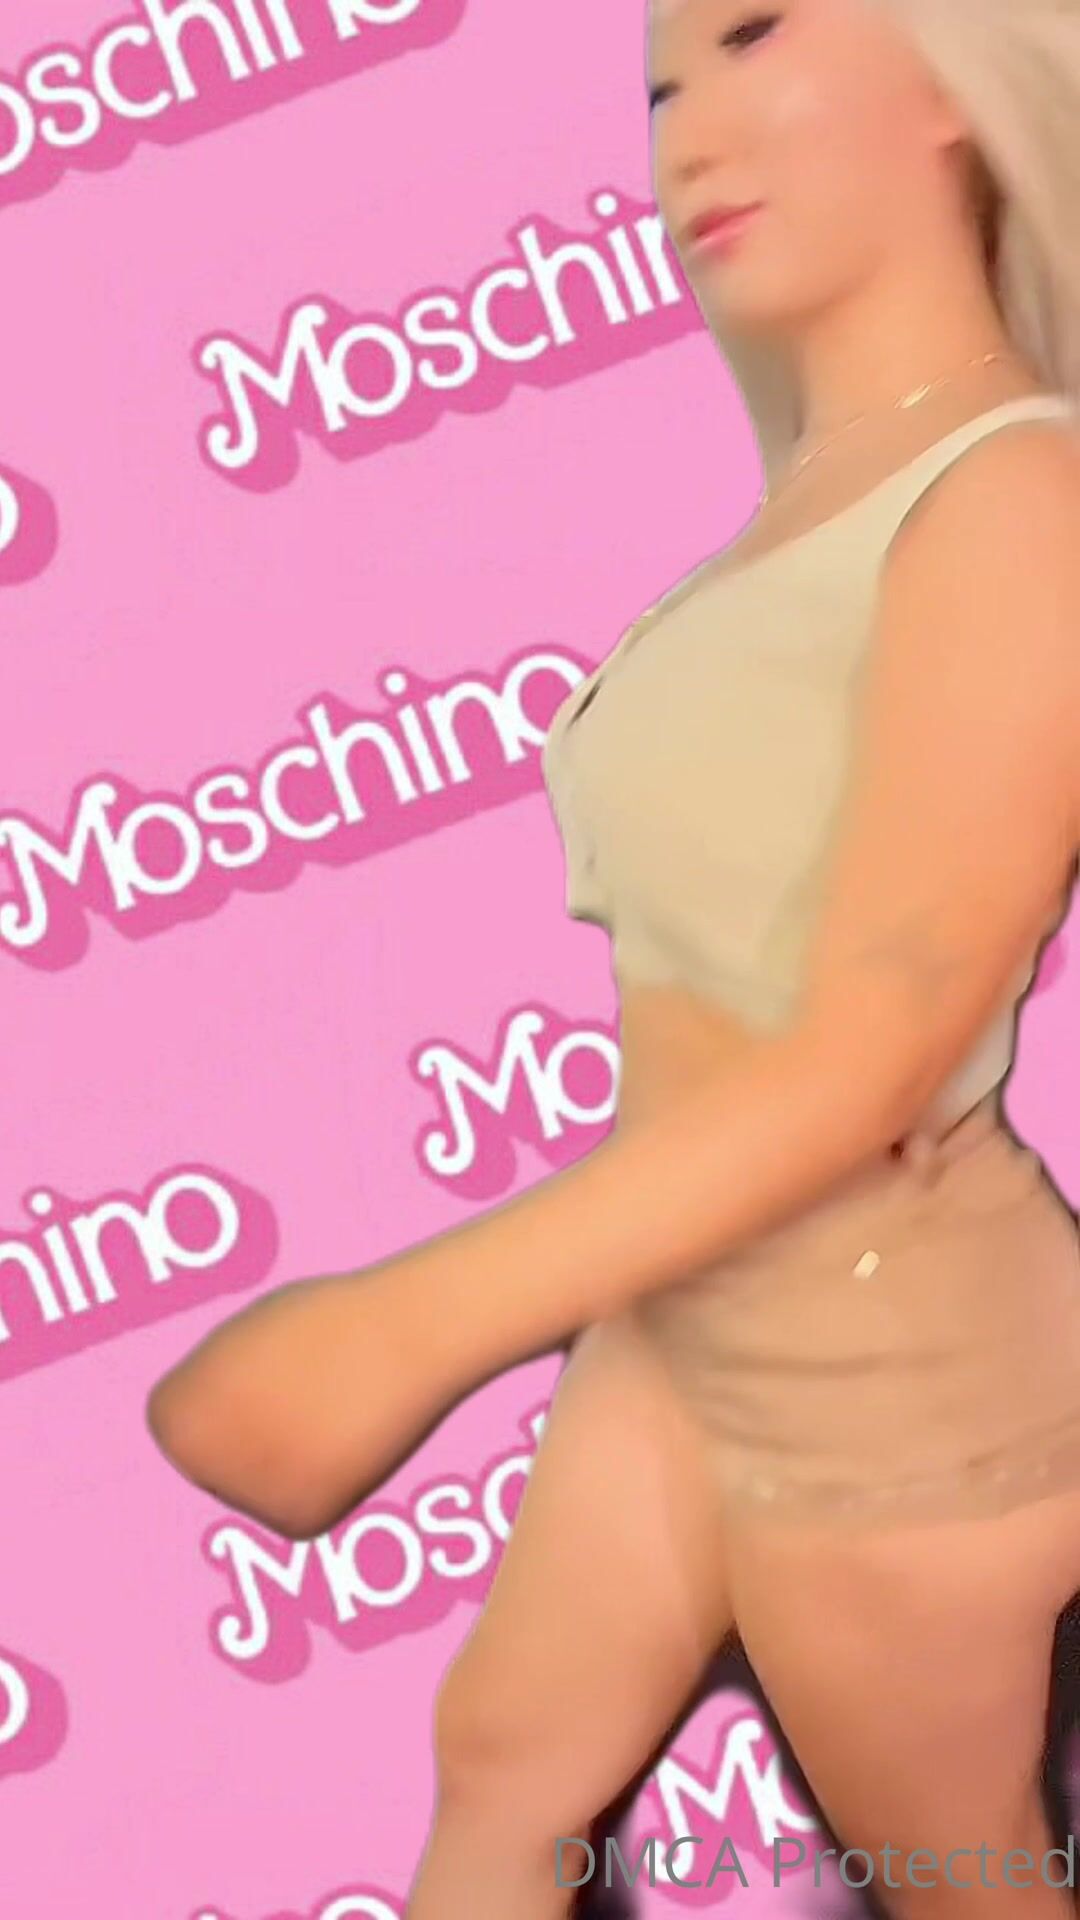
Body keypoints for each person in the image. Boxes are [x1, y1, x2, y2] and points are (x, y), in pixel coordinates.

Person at [145, 2, 1080, 1914]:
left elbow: (873, 1050)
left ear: (957, 78)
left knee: (946, 1865)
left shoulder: (1019, 503)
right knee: (509, 1759)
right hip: (694, 1310)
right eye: (660, 88)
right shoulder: (814, 505)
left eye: (754, 34)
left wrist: (404, 1328)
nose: (688, 134)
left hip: (890, 1350)